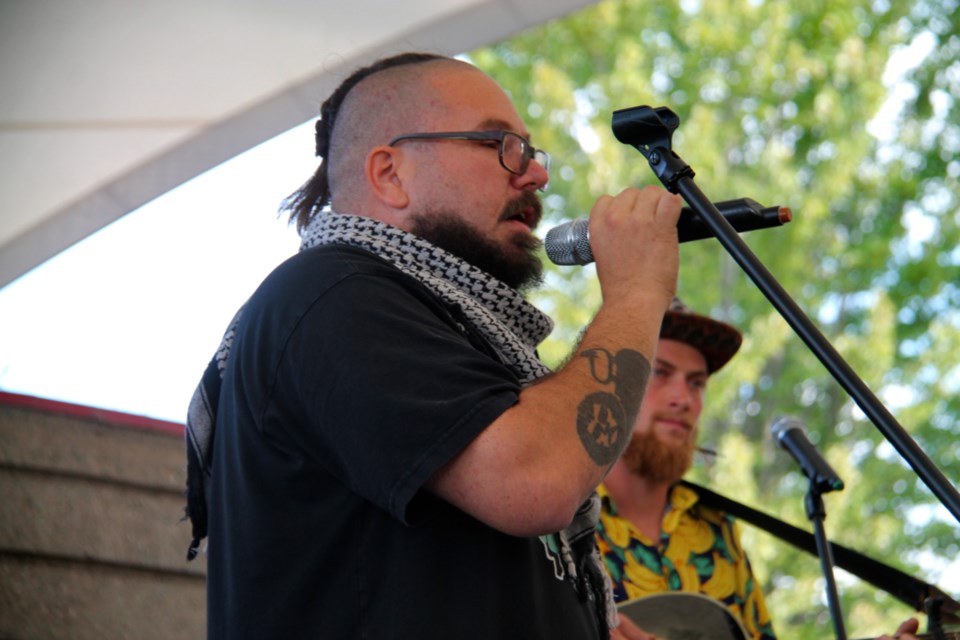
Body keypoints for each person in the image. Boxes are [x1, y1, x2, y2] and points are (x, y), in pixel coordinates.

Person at [184, 51, 683, 639]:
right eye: (500, 145)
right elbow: (535, 478)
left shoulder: (445, 326)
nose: (535, 174)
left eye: (530, 151)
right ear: (390, 174)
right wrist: (635, 293)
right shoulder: (330, 296)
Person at [597, 299, 921, 640]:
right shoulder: (559, 520)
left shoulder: (716, 529)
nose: (684, 398)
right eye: (659, 373)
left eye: (696, 383)